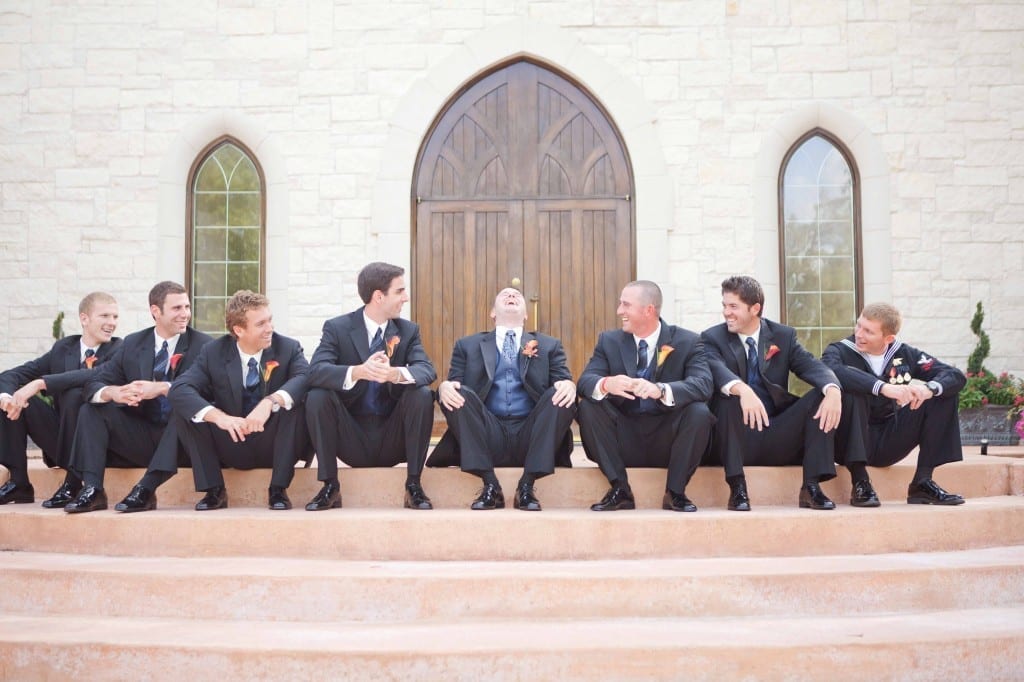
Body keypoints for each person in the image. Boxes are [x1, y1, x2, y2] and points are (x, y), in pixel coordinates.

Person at [114, 290, 311, 512]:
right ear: (239, 330)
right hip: (232, 442)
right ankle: (214, 490)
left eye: (270, 320)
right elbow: (180, 389)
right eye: (261, 324)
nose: (270, 328)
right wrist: (220, 418)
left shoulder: (288, 347)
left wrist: (269, 402)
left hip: (274, 444)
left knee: (295, 403)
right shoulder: (214, 352)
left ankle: (278, 489)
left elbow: (305, 378)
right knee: (187, 409)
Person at [62, 281, 213, 513]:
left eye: (187, 307)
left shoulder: (204, 345)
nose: (185, 314)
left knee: (185, 411)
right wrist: (113, 392)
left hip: (184, 441)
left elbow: (209, 392)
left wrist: (163, 387)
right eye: (177, 309)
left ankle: (145, 489)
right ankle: (92, 489)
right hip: (142, 435)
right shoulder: (134, 343)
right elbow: (95, 381)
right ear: (155, 311)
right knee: (92, 409)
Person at [701, 275, 843, 511]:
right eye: (724, 306)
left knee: (821, 396)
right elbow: (715, 370)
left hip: (775, 431)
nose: (727, 312)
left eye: (733, 306)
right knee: (728, 398)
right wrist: (742, 389)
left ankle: (811, 487)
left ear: (755, 308)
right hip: (734, 438)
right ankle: (737, 488)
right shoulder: (712, 338)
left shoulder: (783, 336)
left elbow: (811, 365)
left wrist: (833, 391)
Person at [304, 262, 436, 511]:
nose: (405, 298)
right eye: (400, 291)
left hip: (393, 437)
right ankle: (330, 486)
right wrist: (358, 372)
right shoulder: (338, 328)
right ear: (378, 296)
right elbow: (315, 371)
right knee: (317, 396)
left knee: (421, 394)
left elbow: (427, 370)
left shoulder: (408, 331)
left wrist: (394, 374)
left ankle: (414, 485)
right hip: (351, 436)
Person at [577, 280, 714, 512]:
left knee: (699, 412)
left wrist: (660, 389)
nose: (620, 311)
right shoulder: (609, 341)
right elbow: (584, 382)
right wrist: (607, 383)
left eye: (626, 305)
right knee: (589, 406)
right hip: (624, 439)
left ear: (648, 310)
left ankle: (676, 492)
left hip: (668, 440)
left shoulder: (688, 341)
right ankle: (620, 489)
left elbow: (703, 385)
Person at [433, 287, 576, 510]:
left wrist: (567, 385)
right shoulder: (467, 346)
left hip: (531, 434)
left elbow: (561, 379)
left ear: (526, 315)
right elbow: (455, 382)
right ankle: (490, 485)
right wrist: (444, 387)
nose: (511, 296)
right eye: (504, 295)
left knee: (562, 393)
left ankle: (527, 486)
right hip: (488, 433)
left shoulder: (549, 346)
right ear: (493, 313)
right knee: (455, 391)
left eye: (517, 295)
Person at [822, 302, 967, 506]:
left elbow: (954, 376)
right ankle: (860, 482)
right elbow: (830, 369)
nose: (859, 334)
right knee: (855, 392)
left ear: (888, 338)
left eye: (868, 331)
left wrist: (928, 389)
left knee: (942, 394)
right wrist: (881, 386)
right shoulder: (840, 350)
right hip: (847, 441)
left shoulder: (904, 354)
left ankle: (922, 482)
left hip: (888, 438)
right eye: (859, 326)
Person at [0, 293, 121, 505]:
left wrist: (40, 383)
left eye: (115, 317)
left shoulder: (119, 349)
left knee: (75, 395)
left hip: (99, 445)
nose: (112, 323)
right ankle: (19, 483)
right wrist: (8, 397)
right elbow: (11, 375)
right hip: (63, 439)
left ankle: (73, 483)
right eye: (105, 316)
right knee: (17, 401)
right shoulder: (64, 348)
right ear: (85, 318)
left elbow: (93, 375)